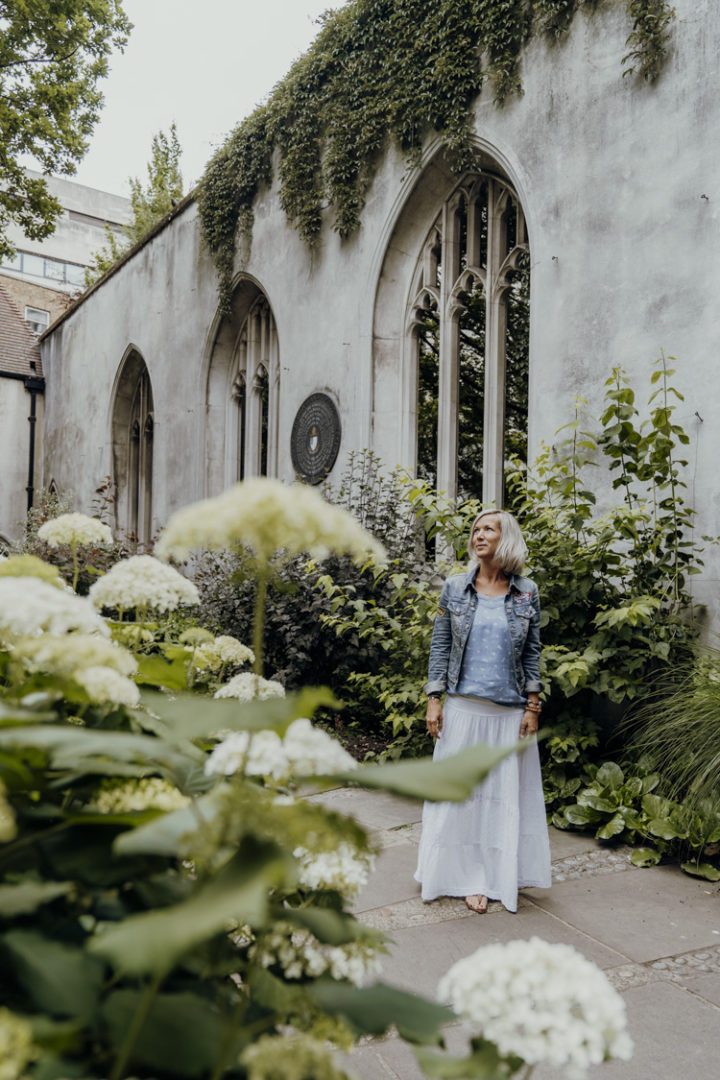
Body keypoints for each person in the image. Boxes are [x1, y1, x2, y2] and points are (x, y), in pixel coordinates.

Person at [414, 508, 551, 913]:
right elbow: (440, 645)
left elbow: (532, 652)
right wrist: (434, 698)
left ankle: (493, 877)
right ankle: (463, 875)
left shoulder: (526, 591)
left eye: (487, 529)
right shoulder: (455, 588)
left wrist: (532, 705)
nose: (478, 535)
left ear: (504, 537)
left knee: (498, 800)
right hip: (462, 709)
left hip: (507, 714)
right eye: (475, 529)